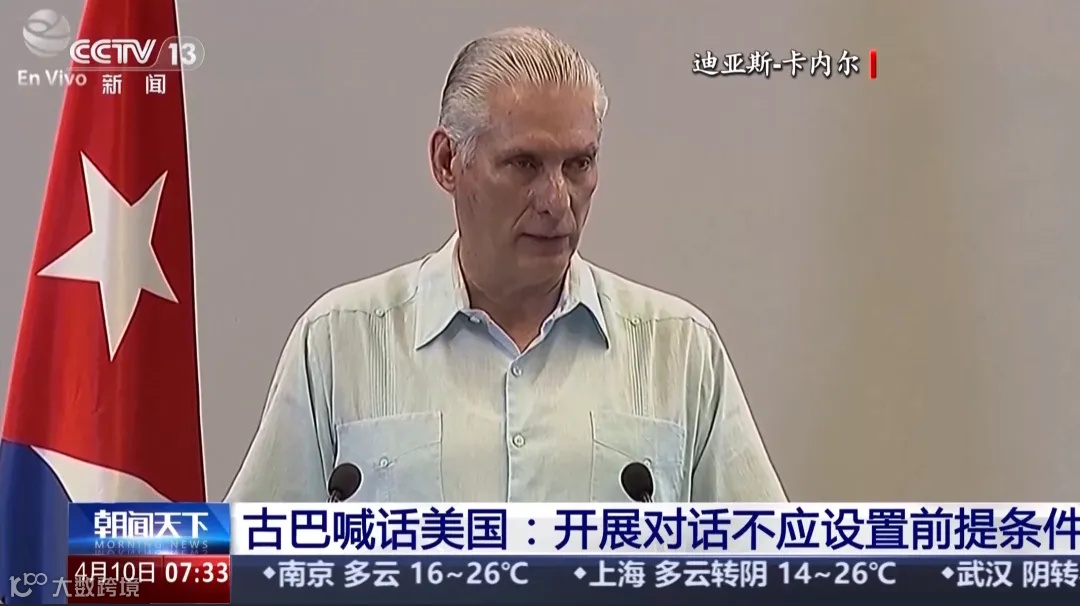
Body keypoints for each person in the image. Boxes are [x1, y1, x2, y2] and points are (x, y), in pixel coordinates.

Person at [225, 27, 786, 503]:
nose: (556, 200)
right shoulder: (339, 342)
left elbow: (772, 566)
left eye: (579, 164)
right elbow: (237, 564)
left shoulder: (679, 349)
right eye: (524, 164)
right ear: (448, 161)